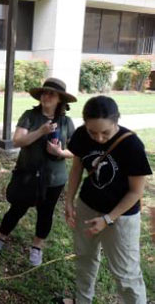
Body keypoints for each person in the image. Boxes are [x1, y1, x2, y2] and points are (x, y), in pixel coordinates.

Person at [60, 96, 151, 304]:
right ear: (85, 124)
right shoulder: (82, 135)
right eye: (93, 132)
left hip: (121, 217)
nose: (99, 138)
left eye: (105, 133)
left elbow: (136, 193)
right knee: (84, 259)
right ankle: (83, 300)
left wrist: (107, 219)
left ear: (116, 121)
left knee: (126, 274)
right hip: (87, 207)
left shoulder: (132, 146)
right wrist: (69, 200)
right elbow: (77, 168)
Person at [0, 78, 76, 266]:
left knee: (46, 213)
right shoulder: (30, 116)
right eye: (44, 92)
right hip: (27, 174)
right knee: (17, 208)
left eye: (52, 93)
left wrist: (60, 152)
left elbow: (76, 151)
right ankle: (1, 237)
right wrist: (41, 131)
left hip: (54, 179)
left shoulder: (66, 122)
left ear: (60, 99)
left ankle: (37, 247)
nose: (46, 96)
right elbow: (18, 141)